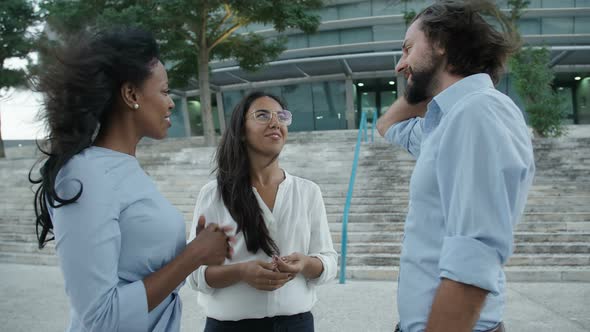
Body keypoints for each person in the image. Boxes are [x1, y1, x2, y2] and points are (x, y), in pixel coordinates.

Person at [29, 28, 232, 332]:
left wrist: (196, 248)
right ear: (131, 95)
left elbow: (135, 266)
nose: (172, 103)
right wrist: (192, 256)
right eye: (164, 91)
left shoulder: (125, 169)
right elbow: (99, 317)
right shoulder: (84, 175)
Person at [376, 1, 535, 331]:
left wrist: (420, 77)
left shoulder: (478, 112)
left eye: (407, 49)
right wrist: (419, 81)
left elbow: (473, 256)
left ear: (440, 42)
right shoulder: (447, 122)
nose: (399, 65)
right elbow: (387, 127)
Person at [186, 91, 337, 332]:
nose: (275, 122)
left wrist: (306, 263)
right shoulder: (213, 194)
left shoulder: (308, 192)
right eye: (263, 115)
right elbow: (194, 274)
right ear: (242, 130)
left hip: (296, 326)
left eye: (281, 116)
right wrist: (241, 272)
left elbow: (329, 261)